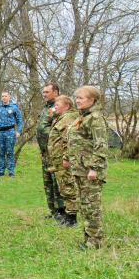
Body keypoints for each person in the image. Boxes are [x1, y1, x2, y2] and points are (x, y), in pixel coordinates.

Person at [65, 86, 109, 250]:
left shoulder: (96, 118)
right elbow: (75, 142)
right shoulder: (82, 117)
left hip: (90, 172)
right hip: (79, 169)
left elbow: (101, 146)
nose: (77, 101)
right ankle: (88, 238)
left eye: (81, 98)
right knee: (84, 206)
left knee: (92, 207)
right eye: (76, 98)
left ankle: (95, 242)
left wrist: (94, 169)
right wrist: (67, 158)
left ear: (92, 100)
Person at [47, 95, 79, 227]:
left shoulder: (68, 118)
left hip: (65, 162)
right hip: (59, 161)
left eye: (57, 105)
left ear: (66, 106)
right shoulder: (61, 117)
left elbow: (69, 141)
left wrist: (66, 158)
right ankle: (67, 215)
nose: (55, 108)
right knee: (64, 188)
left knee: (68, 187)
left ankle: (72, 219)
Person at [37, 82, 65, 218]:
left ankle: (62, 211)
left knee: (56, 182)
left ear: (55, 92)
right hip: (45, 152)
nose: (44, 94)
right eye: (44, 92)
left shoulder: (60, 106)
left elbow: (61, 128)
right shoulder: (47, 107)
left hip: (55, 152)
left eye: (47, 92)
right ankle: (53, 211)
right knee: (47, 182)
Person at [0, 91, 23, 177]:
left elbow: (19, 120)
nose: (4, 97)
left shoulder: (14, 107)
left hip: (10, 132)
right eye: (2, 96)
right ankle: (1, 172)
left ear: (9, 97)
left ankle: (11, 173)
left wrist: (19, 131)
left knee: (10, 152)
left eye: (5, 96)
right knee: (1, 153)